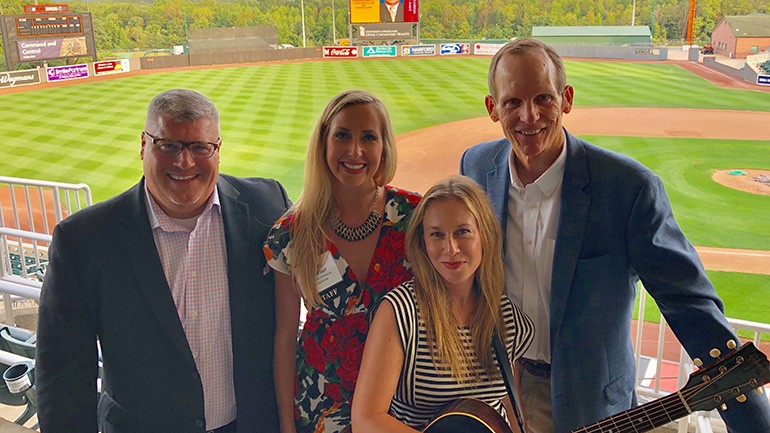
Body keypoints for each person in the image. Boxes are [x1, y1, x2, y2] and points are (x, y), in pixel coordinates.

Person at [460, 38, 770, 433]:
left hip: (592, 400)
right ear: (492, 109)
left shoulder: (627, 188)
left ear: (566, 99)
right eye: (512, 103)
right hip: (501, 390)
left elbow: (689, 303)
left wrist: (752, 422)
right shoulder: (476, 165)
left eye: (543, 98)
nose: (529, 116)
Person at [36, 89, 290, 433]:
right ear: (143, 146)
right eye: (167, 145)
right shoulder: (84, 240)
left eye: (200, 147)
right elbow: (62, 376)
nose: (184, 162)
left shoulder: (267, 206)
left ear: (218, 150)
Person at [264, 89, 421, 433]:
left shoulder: (415, 218)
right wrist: (287, 426)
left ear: (384, 146)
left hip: (403, 409)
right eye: (342, 136)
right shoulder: (291, 233)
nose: (355, 151)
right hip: (320, 410)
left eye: (369, 137)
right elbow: (285, 335)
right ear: (323, 143)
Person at [351, 175, 535, 433]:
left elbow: (508, 408)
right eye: (437, 235)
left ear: (485, 235)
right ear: (423, 243)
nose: (451, 248)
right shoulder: (401, 311)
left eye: (462, 232)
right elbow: (366, 419)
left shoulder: (503, 314)